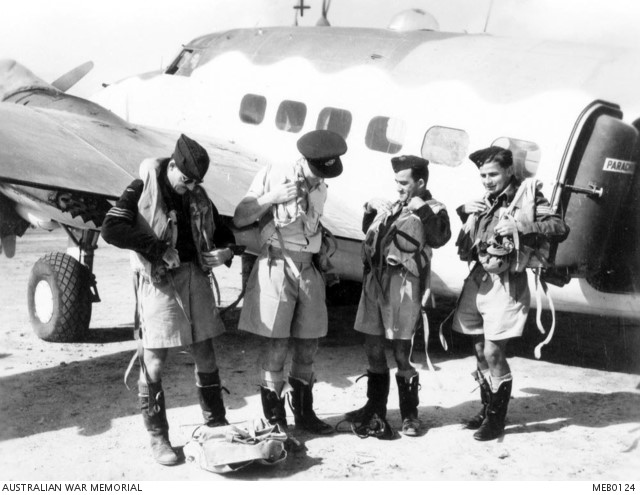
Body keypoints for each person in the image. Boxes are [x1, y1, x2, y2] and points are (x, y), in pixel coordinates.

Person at [101, 134, 236, 465]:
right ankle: (158, 436)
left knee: (205, 353)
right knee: (155, 359)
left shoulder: (196, 193)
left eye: (195, 183)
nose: (189, 187)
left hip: (195, 278)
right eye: (186, 180)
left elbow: (223, 231)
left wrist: (226, 252)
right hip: (159, 283)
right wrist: (158, 249)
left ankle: (216, 424)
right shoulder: (142, 186)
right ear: (173, 166)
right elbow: (111, 228)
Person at [233, 129, 347, 439]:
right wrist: (272, 197)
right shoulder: (274, 173)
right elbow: (241, 217)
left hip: (309, 268)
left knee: (309, 344)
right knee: (277, 344)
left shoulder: (321, 188)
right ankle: (275, 419)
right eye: (317, 170)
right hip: (277, 264)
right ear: (305, 160)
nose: (319, 178)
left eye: (325, 173)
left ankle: (305, 414)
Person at [452, 146, 569, 441]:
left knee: (493, 352)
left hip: (507, 282)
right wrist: (464, 211)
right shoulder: (486, 200)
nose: (487, 181)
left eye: (493, 174)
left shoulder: (527, 196)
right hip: (478, 278)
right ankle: (486, 409)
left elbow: (559, 226)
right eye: (483, 176)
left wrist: (521, 225)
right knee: (479, 349)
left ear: (508, 171)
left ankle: (496, 420)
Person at [345, 155, 451, 438]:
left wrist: (422, 209)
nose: (399, 188)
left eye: (404, 183)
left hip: (402, 284)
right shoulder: (393, 207)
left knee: (402, 352)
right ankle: (375, 408)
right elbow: (369, 232)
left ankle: (410, 415)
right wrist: (369, 208)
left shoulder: (434, 208)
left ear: (420, 183)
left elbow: (439, 238)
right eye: (397, 182)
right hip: (374, 282)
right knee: (373, 347)